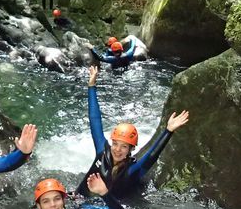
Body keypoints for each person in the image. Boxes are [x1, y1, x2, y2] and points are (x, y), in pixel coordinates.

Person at [76, 66, 189, 199]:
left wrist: (168, 131)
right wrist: (91, 86)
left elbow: (152, 156)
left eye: (124, 146)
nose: (117, 150)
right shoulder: (102, 151)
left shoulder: (131, 170)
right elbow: (95, 120)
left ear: (131, 149)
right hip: (77, 199)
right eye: (116, 144)